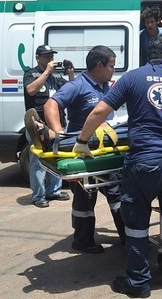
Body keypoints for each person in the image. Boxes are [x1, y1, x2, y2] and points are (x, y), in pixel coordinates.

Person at [73, 35, 162, 298]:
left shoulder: (132, 78)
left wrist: (82, 141)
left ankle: (139, 283)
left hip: (144, 161)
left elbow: (98, 112)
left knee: (137, 222)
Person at [44, 45, 125, 254]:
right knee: (84, 199)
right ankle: (82, 241)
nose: (113, 71)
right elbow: (51, 105)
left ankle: (128, 235)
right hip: (83, 151)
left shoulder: (106, 85)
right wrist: (59, 134)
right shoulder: (78, 85)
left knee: (118, 192)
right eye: (111, 66)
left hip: (107, 150)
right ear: (99, 66)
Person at [23, 45, 73, 208]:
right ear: (38, 57)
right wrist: (46, 73)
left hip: (57, 124)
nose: (50, 59)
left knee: (56, 156)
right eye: (46, 56)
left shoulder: (56, 77)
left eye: (51, 56)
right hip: (38, 124)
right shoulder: (31, 74)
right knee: (38, 159)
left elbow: (72, 90)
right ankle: (38, 195)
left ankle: (54, 191)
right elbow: (31, 90)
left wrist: (71, 73)